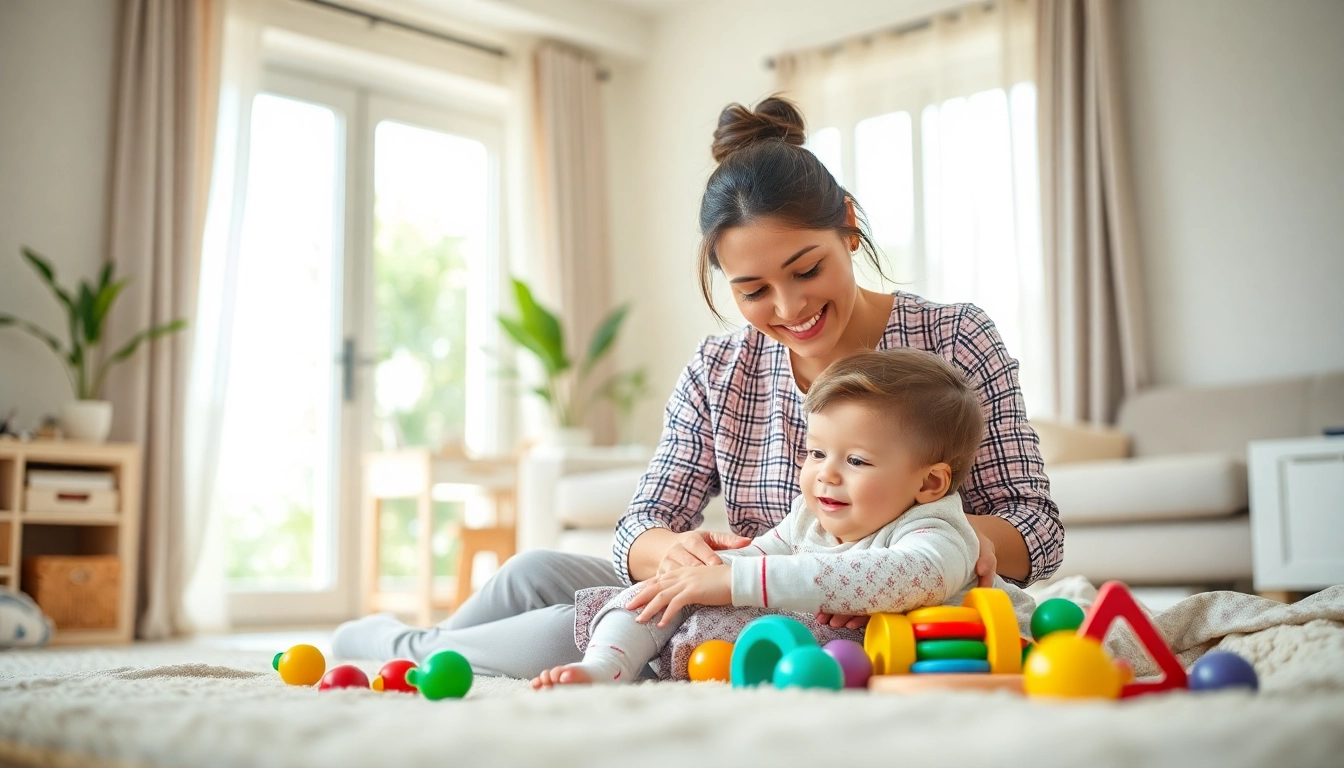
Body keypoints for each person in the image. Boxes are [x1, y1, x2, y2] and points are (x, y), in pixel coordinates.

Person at [331, 96, 1061, 678]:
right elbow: (641, 523)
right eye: (753, 290)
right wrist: (681, 558)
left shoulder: (956, 338)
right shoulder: (721, 369)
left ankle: (405, 652)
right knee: (533, 572)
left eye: (806, 270)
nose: (789, 309)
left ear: (848, 227)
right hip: (742, 572)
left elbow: (1034, 526)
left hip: (837, 608)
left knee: (581, 631)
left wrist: (933, 550)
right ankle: (412, 651)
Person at [532, 348, 1035, 688]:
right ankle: (603, 667)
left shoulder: (938, 533)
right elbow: (762, 551)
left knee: (724, 611)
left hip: (875, 648)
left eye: (855, 461)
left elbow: (901, 577)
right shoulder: (810, 517)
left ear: (929, 484)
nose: (826, 477)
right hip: (805, 641)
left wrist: (738, 581)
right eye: (816, 454)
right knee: (663, 593)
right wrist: (711, 571)